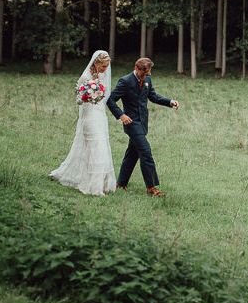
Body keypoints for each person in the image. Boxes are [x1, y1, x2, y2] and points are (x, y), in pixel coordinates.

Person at [106, 57, 179, 197]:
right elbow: (110, 100)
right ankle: (151, 188)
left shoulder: (147, 80)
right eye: (144, 73)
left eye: (148, 74)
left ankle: (121, 184)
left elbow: (153, 97)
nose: (146, 76)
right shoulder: (125, 81)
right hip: (131, 123)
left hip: (143, 123)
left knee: (132, 154)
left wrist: (170, 102)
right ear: (137, 68)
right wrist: (121, 115)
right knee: (146, 152)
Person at [50, 50, 116, 196]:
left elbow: (105, 96)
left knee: (102, 147)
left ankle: (104, 184)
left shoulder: (103, 76)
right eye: (103, 66)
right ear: (96, 63)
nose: (105, 69)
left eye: (107, 66)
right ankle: (93, 187)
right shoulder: (85, 77)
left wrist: (98, 96)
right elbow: (79, 98)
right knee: (95, 148)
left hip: (100, 116)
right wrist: (90, 96)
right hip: (89, 117)